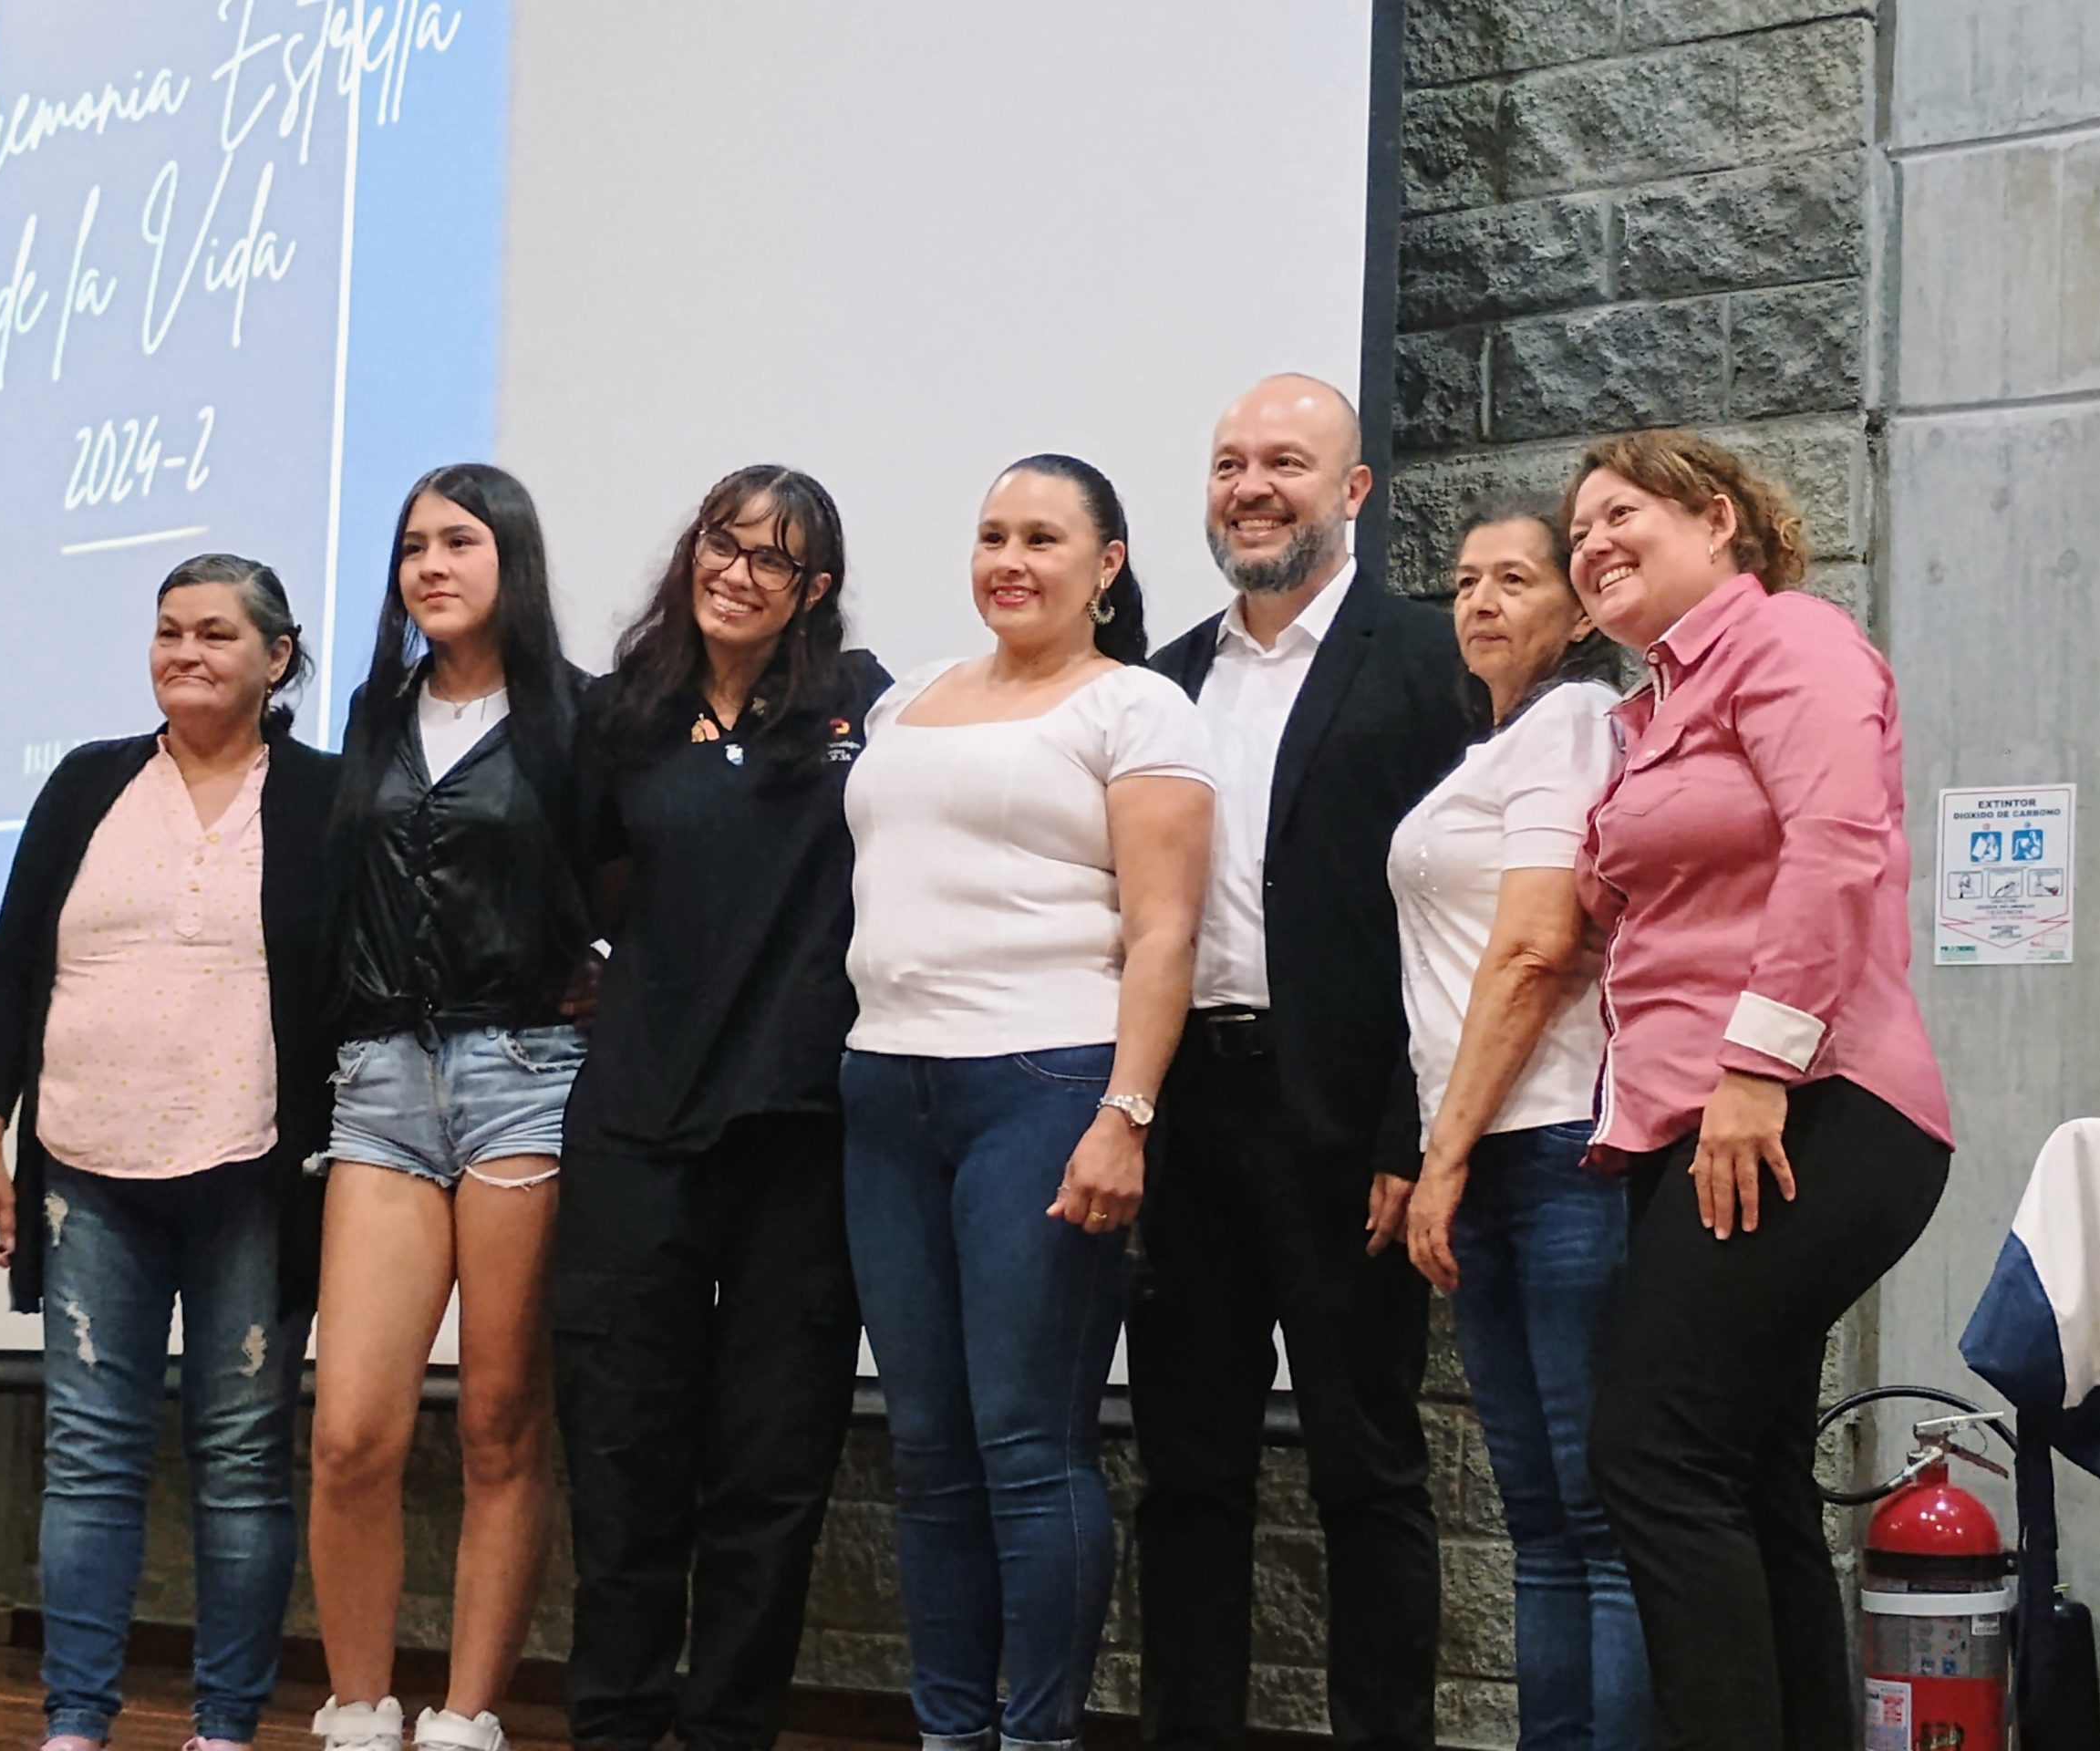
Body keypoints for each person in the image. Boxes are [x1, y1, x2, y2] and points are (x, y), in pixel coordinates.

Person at [1563, 430, 1951, 1751]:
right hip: (1709, 1122)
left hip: (1809, 1105)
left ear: (1715, 517)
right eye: (1578, 535)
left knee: (1654, 1459)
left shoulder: (1789, 640)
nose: (1591, 544)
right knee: (1746, 1473)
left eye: (1621, 515)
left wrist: (1753, 1066)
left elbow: (1837, 843)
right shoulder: (1648, 713)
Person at [843, 454, 1214, 1751]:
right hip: (888, 1087)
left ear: (1106, 565)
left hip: (1046, 1085)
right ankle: (952, 1733)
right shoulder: (911, 701)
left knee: (1026, 1442)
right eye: (994, 533)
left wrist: (1127, 1114)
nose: (1011, 559)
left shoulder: (1139, 708)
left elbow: (1165, 935)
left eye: (1044, 538)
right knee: (929, 1447)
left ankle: (1038, 1734)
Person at [1134, 375, 1472, 1751]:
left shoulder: (1430, 661)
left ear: (1352, 491)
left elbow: (1458, 918)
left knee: (1368, 1467)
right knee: (1185, 1472)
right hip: (1187, 1116)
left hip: (1346, 1123)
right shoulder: (1159, 682)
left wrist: (1412, 1133)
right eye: (1228, 464)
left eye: (1284, 461)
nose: (1251, 487)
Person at [0, 554, 338, 1751]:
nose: (186, 651)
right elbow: (15, 966)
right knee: (89, 1455)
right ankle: (74, 1720)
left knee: (241, 1460)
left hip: (254, 1175)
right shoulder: (84, 786)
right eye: (168, 630)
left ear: (277, 660)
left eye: (217, 633)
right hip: (85, 1169)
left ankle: (224, 1725)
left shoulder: (328, 797)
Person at [554, 466, 887, 1751]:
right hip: (638, 1129)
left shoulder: (862, 710)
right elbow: (587, 888)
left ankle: (727, 1727)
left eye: (770, 559)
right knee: (627, 1457)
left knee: (770, 1467)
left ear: (814, 591)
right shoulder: (620, 718)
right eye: (721, 543)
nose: (736, 574)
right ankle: (617, 1724)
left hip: (801, 1136)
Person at [305, 464, 595, 1751]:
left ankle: (467, 1712)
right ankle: (359, 1704)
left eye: (459, 541)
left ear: (510, 560)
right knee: (353, 1426)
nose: (430, 564)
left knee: (496, 1416)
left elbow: (631, 892)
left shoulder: (579, 718)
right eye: (413, 545)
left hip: (525, 1075)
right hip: (379, 1084)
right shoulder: (375, 715)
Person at [1391, 503, 1650, 1751]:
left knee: (1596, 1521)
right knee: (1538, 1522)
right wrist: (1446, 1153)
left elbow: (1540, 947)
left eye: (1515, 579)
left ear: (1580, 610)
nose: (1482, 600)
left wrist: (1440, 1154)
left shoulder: (1572, 722)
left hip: (1555, 1144)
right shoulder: (1487, 748)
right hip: (1492, 1153)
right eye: (1464, 581)